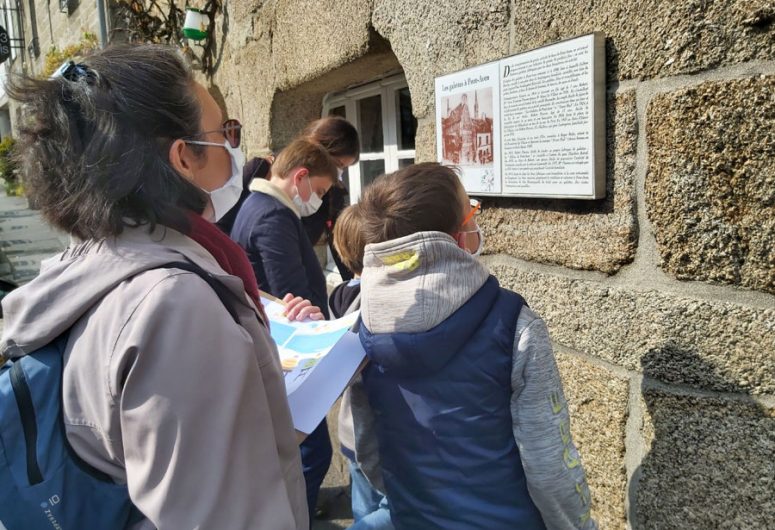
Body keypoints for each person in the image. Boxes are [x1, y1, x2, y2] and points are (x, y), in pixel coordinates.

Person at [0, 45, 313, 528]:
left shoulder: (82, 265)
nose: (234, 147)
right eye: (224, 132)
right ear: (183, 156)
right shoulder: (174, 304)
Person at [349, 162, 597, 529]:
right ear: (458, 235)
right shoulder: (513, 322)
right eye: (472, 210)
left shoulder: (363, 326)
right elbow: (548, 466)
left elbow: (367, 448)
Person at [230, 137, 338, 522]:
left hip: (276, 349)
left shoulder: (255, 205)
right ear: (301, 177)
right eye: (321, 191)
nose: (320, 200)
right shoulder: (275, 215)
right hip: (289, 354)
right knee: (311, 454)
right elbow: (290, 292)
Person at [330, 207, 394, 530]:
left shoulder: (340, 295)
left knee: (363, 506)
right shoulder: (375, 298)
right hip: (374, 434)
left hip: (349, 431)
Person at [300, 116, 360, 282]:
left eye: (344, 167)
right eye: (337, 164)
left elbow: (338, 243)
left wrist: (354, 286)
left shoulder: (335, 194)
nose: (338, 173)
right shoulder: (262, 171)